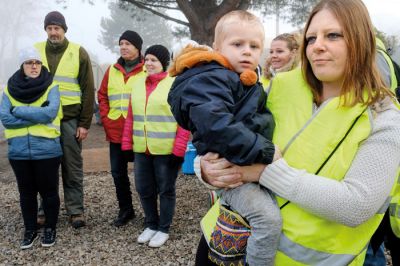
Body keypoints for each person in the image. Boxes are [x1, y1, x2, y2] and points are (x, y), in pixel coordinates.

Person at [195, 0, 400, 265]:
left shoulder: (384, 118)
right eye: (311, 37)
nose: (318, 45)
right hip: (224, 241)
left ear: (362, 41)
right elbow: (220, 133)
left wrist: (263, 171)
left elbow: (356, 206)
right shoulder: (279, 86)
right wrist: (205, 169)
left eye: (333, 35)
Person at [168, 10, 281, 265]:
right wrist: (266, 151)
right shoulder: (212, 78)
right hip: (234, 174)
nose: (247, 52)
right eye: (237, 44)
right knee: (267, 219)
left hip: (240, 165)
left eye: (254, 46)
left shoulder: (237, 79)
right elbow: (217, 127)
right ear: (217, 47)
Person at [121, 44, 190, 248]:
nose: (149, 63)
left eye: (154, 60)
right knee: (144, 188)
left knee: (166, 189)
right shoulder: (137, 84)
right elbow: (131, 117)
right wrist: (127, 145)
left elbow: (184, 121)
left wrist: (179, 150)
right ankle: (151, 224)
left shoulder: (174, 84)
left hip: (166, 150)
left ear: (164, 63)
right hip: (142, 149)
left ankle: (163, 228)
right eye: (147, 59)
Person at [35, 11, 95, 229]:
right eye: (49, 28)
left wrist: (84, 124)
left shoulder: (78, 52)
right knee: (43, 167)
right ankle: (44, 210)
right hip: (43, 120)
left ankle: (75, 210)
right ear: (46, 30)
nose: (53, 32)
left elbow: (89, 89)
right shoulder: (35, 50)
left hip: (70, 120)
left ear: (64, 30)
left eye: (57, 28)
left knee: (72, 166)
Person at [0, 47, 62, 249]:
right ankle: (30, 229)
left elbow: (49, 114)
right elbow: (6, 119)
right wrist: (35, 114)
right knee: (26, 193)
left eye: (37, 62)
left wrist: (18, 110)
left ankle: (50, 228)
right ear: (22, 66)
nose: (34, 66)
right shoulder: (9, 89)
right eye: (29, 62)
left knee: (49, 192)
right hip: (18, 152)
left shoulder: (51, 85)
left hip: (46, 150)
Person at [98, 30, 145, 227]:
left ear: (137, 47)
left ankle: (150, 213)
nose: (124, 47)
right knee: (118, 174)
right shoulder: (112, 70)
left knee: (144, 175)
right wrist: (106, 118)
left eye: (128, 43)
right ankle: (126, 210)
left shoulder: (147, 69)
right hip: (116, 131)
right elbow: (102, 96)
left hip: (139, 132)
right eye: (121, 43)